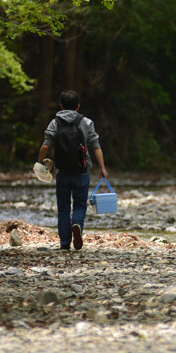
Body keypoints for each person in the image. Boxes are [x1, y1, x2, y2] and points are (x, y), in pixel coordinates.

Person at [38, 90, 107, 250]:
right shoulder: (87, 122)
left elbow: (46, 145)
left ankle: (64, 243)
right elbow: (96, 146)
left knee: (63, 208)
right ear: (78, 106)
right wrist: (102, 168)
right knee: (80, 205)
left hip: (62, 172)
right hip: (81, 171)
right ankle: (77, 225)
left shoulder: (55, 122)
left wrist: (40, 162)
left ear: (61, 106)